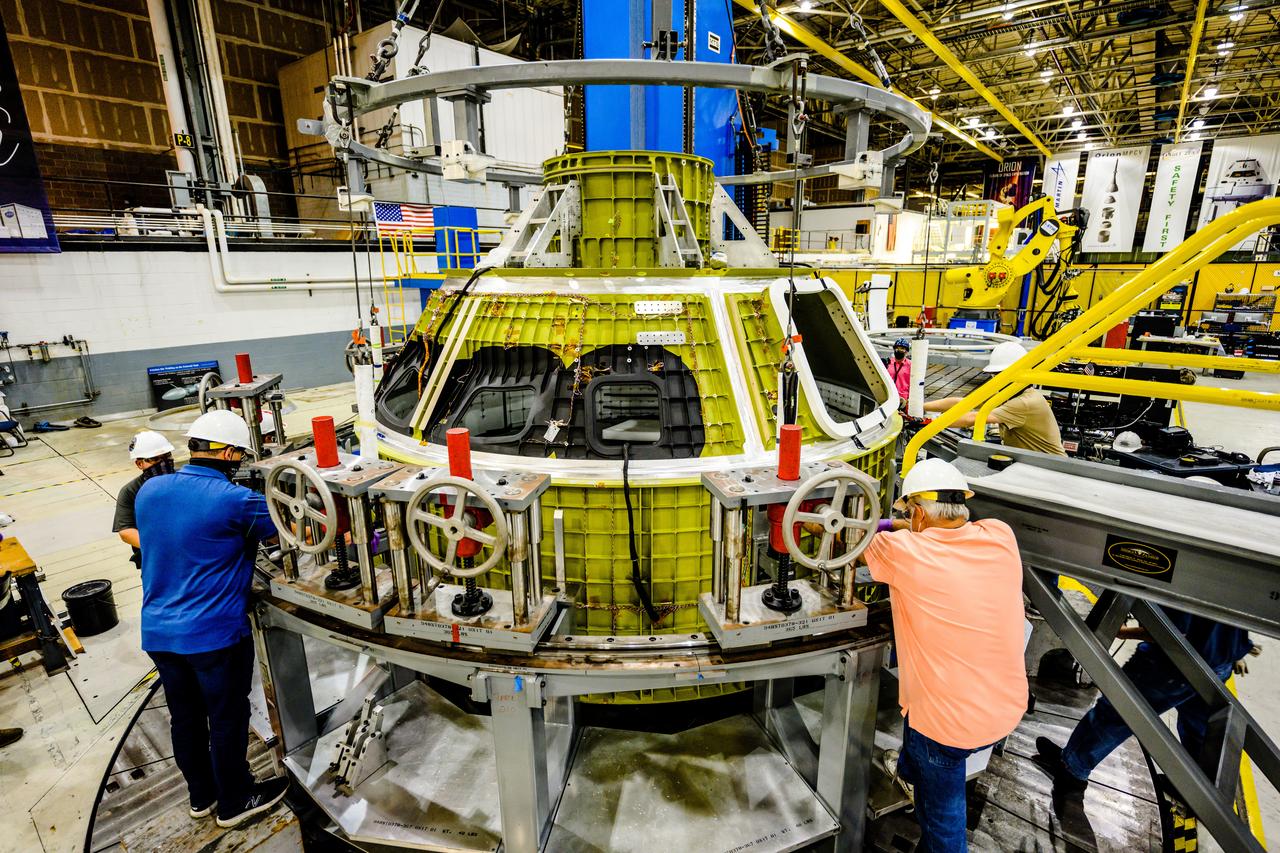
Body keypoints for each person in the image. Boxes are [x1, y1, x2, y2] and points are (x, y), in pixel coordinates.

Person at [860, 458, 1028, 852]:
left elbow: (851, 537)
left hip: (949, 725)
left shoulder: (903, 553)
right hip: (1006, 705)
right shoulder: (1001, 535)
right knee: (916, 726)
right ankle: (904, 770)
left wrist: (817, 522)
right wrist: (906, 523)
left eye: (907, 512)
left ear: (917, 513)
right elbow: (931, 533)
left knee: (942, 817)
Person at [136, 410, 288, 828]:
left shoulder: (150, 491)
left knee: (185, 718)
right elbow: (294, 532)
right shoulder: (237, 500)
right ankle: (236, 801)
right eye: (238, 454)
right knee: (226, 717)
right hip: (213, 635)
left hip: (159, 632)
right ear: (228, 453)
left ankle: (201, 797)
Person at [1033, 612, 1254, 795]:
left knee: (1116, 712)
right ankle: (1195, 792)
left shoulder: (1179, 568)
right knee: (1197, 725)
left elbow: (1171, 632)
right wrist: (1236, 650)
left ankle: (1072, 769)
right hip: (1220, 659)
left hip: (1176, 661)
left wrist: (1124, 633)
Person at [923, 340, 1066, 456]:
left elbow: (971, 419)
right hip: (1028, 460)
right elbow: (963, 403)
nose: (995, 380)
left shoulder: (1023, 403)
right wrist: (919, 407)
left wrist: (927, 422)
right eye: (994, 375)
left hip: (1050, 467)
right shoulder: (1010, 394)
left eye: (998, 375)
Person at [113, 430, 176, 569]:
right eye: (155, 459)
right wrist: (162, 549)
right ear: (140, 464)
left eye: (166, 456)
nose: (163, 463)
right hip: (155, 559)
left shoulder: (185, 479)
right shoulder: (130, 491)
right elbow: (126, 532)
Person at [886, 337, 913, 402]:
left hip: (904, 399)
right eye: (897, 348)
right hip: (888, 397)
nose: (899, 350)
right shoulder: (887, 363)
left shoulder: (911, 365)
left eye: (902, 348)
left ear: (906, 351)